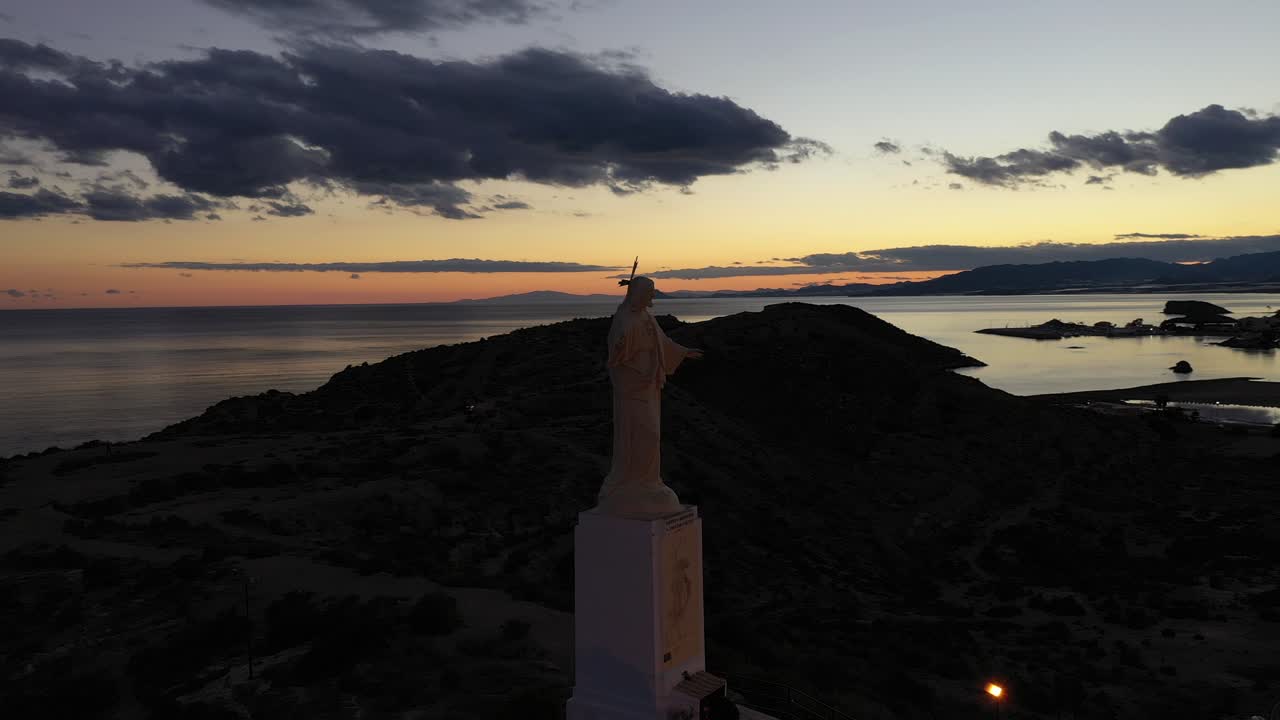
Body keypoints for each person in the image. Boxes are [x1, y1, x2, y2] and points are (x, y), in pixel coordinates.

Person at [596, 275, 702, 516]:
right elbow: (616, 351)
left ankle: (649, 481)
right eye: (650, 291)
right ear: (638, 293)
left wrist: (683, 352)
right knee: (641, 433)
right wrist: (621, 344)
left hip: (648, 387)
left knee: (652, 436)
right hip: (631, 387)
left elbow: (662, 342)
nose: (654, 296)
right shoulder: (624, 318)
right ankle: (632, 483)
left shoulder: (647, 317)